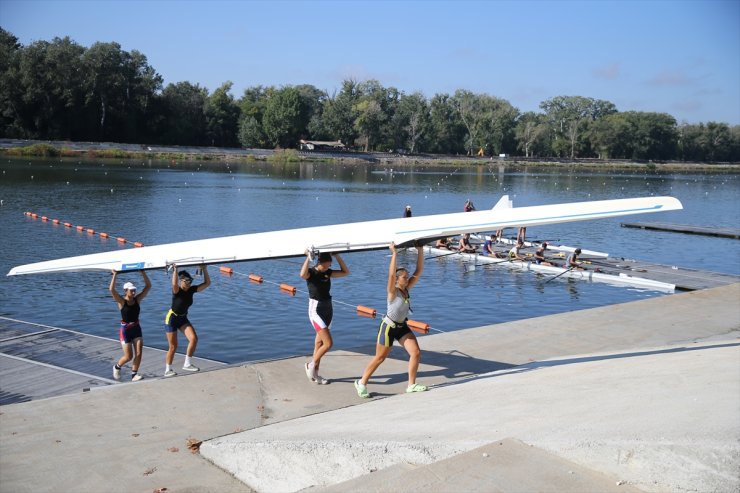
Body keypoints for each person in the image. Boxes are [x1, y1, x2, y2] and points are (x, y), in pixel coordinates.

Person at [355, 243, 426, 398]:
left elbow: (419, 271)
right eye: (404, 277)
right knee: (380, 357)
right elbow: (391, 275)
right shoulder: (392, 291)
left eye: (407, 277)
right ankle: (361, 383)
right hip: (388, 327)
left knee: (416, 353)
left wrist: (420, 250)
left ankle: (411, 385)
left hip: (402, 327)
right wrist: (394, 253)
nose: (407, 279)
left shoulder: (406, 289)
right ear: (397, 280)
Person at [299, 250, 349, 385]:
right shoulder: (311, 273)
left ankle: (315, 374)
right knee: (328, 344)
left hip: (328, 309)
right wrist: (308, 258)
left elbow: (345, 272)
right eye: (329, 262)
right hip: (316, 310)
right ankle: (311, 365)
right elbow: (302, 274)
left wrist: (337, 255)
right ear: (321, 261)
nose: (330, 265)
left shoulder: (328, 272)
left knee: (319, 343)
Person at [164, 265, 210, 377]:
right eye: (187, 281)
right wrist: (175, 269)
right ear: (181, 281)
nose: (189, 283)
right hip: (172, 319)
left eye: (191, 281)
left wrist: (204, 269)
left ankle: (187, 364)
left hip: (183, 318)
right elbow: (174, 284)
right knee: (173, 346)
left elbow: (207, 283)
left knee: (194, 339)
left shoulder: (191, 290)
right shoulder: (177, 290)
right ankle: (167, 370)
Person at [110, 270, 151, 382]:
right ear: (125, 291)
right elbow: (112, 290)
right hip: (125, 330)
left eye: (134, 291)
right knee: (128, 356)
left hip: (136, 328)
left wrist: (142, 272)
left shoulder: (137, 299)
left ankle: (134, 375)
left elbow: (148, 286)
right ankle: (117, 366)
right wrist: (115, 275)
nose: (133, 293)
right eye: (131, 291)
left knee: (139, 352)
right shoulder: (122, 301)